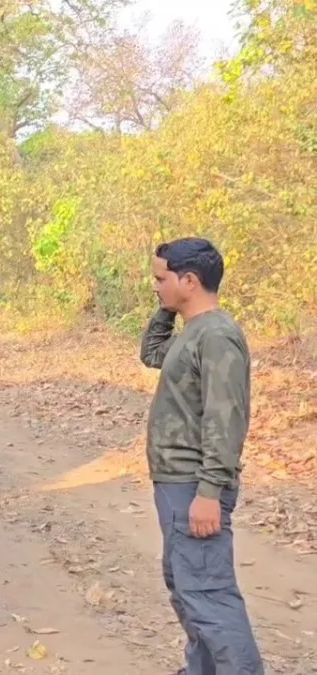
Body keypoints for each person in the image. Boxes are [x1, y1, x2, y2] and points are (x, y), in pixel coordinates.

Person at [139, 238, 264, 675]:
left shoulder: (217, 336)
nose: (155, 286)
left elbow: (226, 418)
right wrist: (167, 308)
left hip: (195, 484)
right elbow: (152, 354)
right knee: (187, 586)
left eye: (161, 279)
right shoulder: (192, 331)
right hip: (176, 482)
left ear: (189, 280)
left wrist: (210, 491)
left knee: (208, 592)